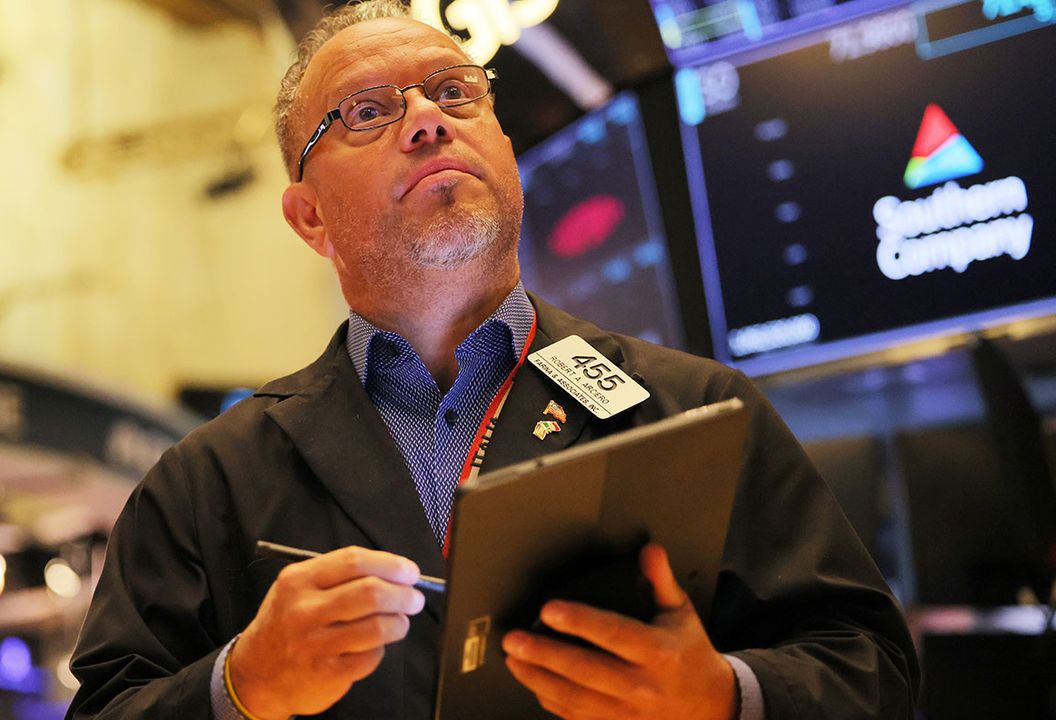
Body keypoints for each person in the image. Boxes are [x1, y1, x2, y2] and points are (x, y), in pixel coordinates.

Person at [66, 1, 919, 718]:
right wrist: (237, 686)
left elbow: (871, 667)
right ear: (309, 218)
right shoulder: (202, 484)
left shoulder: (699, 410)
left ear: (506, 152)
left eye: (454, 91)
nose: (428, 118)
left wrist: (725, 696)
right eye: (367, 110)